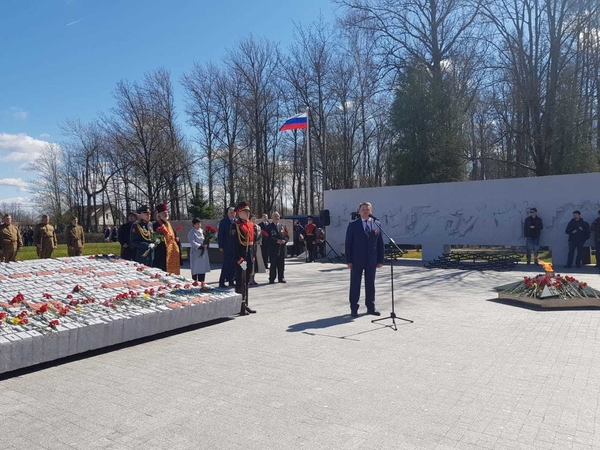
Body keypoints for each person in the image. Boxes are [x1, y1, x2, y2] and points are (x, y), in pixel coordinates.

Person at [345, 202, 384, 318]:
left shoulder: (377, 224)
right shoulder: (353, 225)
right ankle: (354, 308)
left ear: (371, 211)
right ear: (359, 211)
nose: (365, 211)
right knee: (355, 284)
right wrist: (349, 260)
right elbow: (348, 244)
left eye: (367, 209)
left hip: (371, 260)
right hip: (357, 260)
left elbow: (380, 244)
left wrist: (380, 260)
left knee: (370, 284)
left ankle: (371, 307)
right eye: (363, 209)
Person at [231, 201, 256, 314]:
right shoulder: (235, 226)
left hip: (249, 256)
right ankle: (239, 305)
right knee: (240, 282)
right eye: (245, 211)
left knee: (246, 282)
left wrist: (253, 256)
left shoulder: (250, 224)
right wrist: (240, 260)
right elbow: (234, 245)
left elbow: (252, 243)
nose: (247, 213)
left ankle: (245, 304)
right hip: (241, 257)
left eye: (248, 211)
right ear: (239, 213)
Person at [152, 203, 181, 275]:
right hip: (162, 253)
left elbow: (173, 234)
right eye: (164, 213)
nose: (166, 214)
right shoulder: (156, 225)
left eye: (167, 212)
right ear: (159, 215)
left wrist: (176, 237)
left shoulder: (168, 223)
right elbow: (155, 238)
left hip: (172, 251)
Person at [267, 212, 289, 283]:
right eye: (275, 216)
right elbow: (267, 238)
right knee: (273, 264)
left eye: (278, 216)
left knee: (281, 264)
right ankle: (272, 278)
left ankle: (281, 277)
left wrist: (284, 240)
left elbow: (287, 236)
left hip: (282, 248)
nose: (277, 218)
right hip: (273, 248)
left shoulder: (283, 226)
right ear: (272, 217)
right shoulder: (269, 227)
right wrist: (276, 241)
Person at [218, 206, 236, 288]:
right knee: (226, 264)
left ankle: (231, 280)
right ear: (228, 213)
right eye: (231, 212)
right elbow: (220, 234)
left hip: (235, 247)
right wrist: (220, 246)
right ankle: (221, 281)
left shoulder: (236, 222)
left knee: (233, 265)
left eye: (234, 212)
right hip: (226, 246)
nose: (232, 214)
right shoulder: (224, 222)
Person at [188, 218, 211, 284]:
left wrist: (206, 245)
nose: (199, 225)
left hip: (203, 252)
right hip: (196, 252)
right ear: (194, 224)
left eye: (200, 223)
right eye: (197, 224)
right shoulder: (192, 232)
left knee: (202, 268)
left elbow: (206, 239)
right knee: (195, 268)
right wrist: (200, 246)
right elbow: (192, 242)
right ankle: (195, 282)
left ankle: (202, 282)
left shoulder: (203, 231)